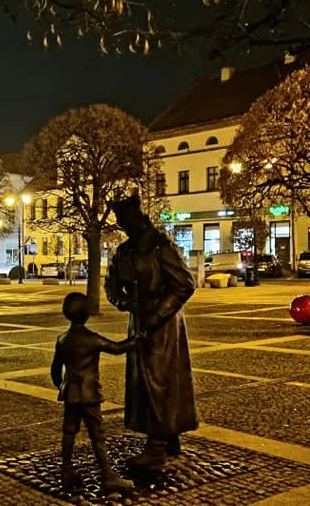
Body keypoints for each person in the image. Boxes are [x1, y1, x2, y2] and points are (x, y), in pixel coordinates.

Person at [104, 194, 198, 469]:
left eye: (126, 220)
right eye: (121, 222)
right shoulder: (124, 251)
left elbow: (184, 284)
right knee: (144, 382)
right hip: (139, 320)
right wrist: (123, 301)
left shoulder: (160, 247)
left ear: (139, 218)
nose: (124, 226)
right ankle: (168, 439)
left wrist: (156, 316)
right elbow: (111, 284)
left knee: (160, 381)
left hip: (164, 324)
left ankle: (157, 448)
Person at [50, 292, 136, 492]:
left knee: (69, 432)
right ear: (87, 313)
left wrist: (63, 386)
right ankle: (107, 474)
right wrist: (137, 340)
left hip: (71, 393)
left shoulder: (62, 339)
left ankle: (66, 470)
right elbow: (117, 348)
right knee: (97, 434)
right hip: (89, 395)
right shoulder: (92, 339)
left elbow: (55, 370)